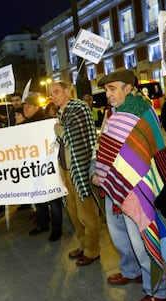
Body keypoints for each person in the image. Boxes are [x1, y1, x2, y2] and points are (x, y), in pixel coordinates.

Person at [91, 69, 166, 301]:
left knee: (143, 241)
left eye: (112, 88)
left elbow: (145, 151)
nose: (107, 94)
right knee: (120, 235)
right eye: (106, 90)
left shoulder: (140, 111)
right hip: (115, 184)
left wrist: (106, 174)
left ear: (129, 88)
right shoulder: (115, 111)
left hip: (136, 188)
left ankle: (159, 292)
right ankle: (132, 271)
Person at [51, 81, 101, 265]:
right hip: (67, 170)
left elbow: (71, 135)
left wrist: (58, 129)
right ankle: (83, 245)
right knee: (73, 213)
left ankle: (93, 250)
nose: (53, 96)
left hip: (80, 168)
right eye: (51, 93)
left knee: (87, 214)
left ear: (67, 91)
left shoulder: (79, 108)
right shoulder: (60, 112)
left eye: (56, 92)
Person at [22, 95, 63, 241]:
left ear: (36, 107)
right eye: (24, 107)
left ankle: (57, 229)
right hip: (33, 167)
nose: (24, 109)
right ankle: (43, 223)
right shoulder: (25, 125)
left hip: (48, 166)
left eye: (28, 106)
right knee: (38, 197)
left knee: (53, 200)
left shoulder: (46, 122)